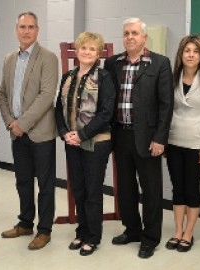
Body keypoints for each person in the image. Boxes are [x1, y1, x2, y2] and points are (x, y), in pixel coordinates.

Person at [104, 17, 173, 259]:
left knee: (151, 190)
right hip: (120, 135)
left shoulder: (160, 63)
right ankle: (132, 229)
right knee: (125, 188)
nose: (130, 37)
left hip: (148, 138)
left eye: (134, 33)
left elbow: (166, 105)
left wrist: (160, 138)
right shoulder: (113, 63)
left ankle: (150, 237)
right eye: (126, 33)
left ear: (144, 37)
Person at [0, 11, 58, 250]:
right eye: (22, 27)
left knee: (45, 184)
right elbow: (2, 93)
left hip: (40, 133)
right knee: (23, 181)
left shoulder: (48, 58)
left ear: (37, 30)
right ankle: (25, 223)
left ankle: (44, 230)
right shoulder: (9, 59)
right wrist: (11, 122)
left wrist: (22, 123)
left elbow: (46, 96)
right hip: (17, 132)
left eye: (31, 27)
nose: (26, 31)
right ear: (16, 30)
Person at [55, 32, 115, 256]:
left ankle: (93, 236)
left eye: (92, 49)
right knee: (78, 189)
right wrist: (64, 133)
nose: (87, 52)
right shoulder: (68, 77)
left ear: (98, 54)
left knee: (92, 191)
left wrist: (81, 135)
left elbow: (106, 113)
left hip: (96, 143)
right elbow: (58, 109)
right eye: (83, 48)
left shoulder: (105, 78)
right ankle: (81, 231)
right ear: (77, 51)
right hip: (71, 142)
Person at [165, 35, 200, 253]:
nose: (190, 55)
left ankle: (189, 233)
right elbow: (167, 111)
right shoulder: (172, 78)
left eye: (195, 51)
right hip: (174, 141)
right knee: (177, 188)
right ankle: (177, 231)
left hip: (197, 144)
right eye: (186, 50)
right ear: (180, 54)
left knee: (191, 189)